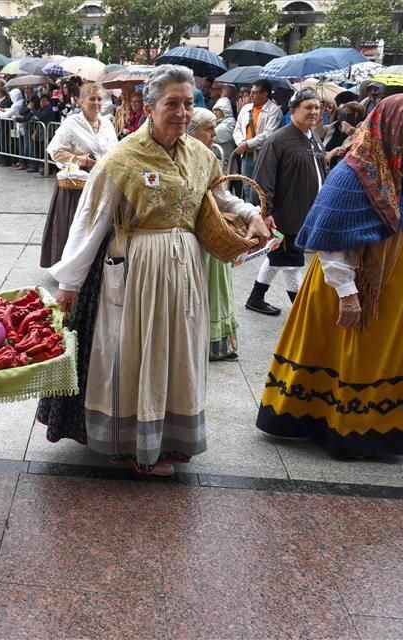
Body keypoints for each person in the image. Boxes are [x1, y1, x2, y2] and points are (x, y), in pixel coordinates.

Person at [35, 66, 269, 476]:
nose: (182, 113)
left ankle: (169, 436)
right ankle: (135, 442)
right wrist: (69, 282)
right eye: (171, 104)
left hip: (186, 269)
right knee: (139, 349)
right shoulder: (122, 158)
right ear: (149, 107)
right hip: (138, 270)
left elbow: (217, 196)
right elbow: (92, 219)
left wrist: (250, 214)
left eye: (188, 103)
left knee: (177, 349)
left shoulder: (200, 153)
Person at [256, 93, 403, 458]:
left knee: (381, 356)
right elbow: (330, 236)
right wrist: (348, 292)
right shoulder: (355, 171)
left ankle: (380, 426)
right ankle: (347, 427)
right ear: (388, 123)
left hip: (396, 297)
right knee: (351, 354)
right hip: (357, 288)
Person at [246, 88, 327, 316]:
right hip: (285, 214)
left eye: (317, 107)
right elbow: (262, 179)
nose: (314, 112)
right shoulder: (278, 140)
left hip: (308, 214)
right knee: (291, 260)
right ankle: (303, 311)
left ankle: (256, 297)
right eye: (308, 107)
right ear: (293, 110)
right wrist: (265, 212)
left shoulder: (315, 138)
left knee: (279, 256)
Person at [39, 82, 117, 268]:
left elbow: (115, 151)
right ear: (82, 102)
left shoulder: (106, 123)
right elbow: (55, 151)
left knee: (98, 228)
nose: (96, 103)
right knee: (77, 228)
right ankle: (70, 268)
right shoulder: (72, 123)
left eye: (99, 99)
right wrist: (82, 160)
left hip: (102, 183)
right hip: (77, 186)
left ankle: (94, 267)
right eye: (92, 99)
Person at [188, 107, 243, 360]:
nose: (214, 134)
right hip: (195, 239)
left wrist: (247, 213)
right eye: (208, 129)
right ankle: (197, 344)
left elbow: (222, 196)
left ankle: (217, 345)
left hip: (214, 237)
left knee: (218, 291)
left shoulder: (209, 158)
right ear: (192, 131)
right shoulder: (183, 157)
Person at [233, 79, 282, 202]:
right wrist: (241, 142)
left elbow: (268, 134)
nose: (251, 95)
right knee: (246, 187)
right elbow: (237, 128)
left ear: (265, 94)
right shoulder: (246, 109)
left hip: (263, 154)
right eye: (251, 92)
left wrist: (248, 144)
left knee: (260, 188)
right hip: (246, 154)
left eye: (255, 93)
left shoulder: (274, 111)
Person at [323, 102, 365, 170]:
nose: (343, 117)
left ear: (356, 117)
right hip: (323, 161)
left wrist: (354, 133)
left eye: (347, 115)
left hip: (337, 168)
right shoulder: (334, 126)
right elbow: (319, 131)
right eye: (342, 113)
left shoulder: (358, 133)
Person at [212, 86, 237, 166]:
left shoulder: (230, 123)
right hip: (217, 160)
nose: (215, 113)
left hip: (225, 162)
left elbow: (214, 135)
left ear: (225, 110)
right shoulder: (219, 122)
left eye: (218, 110)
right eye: (214, 110)